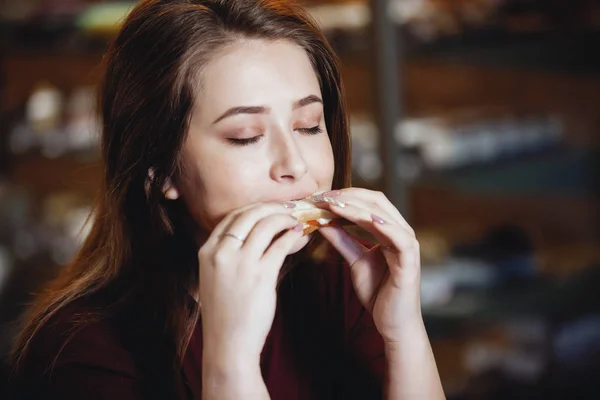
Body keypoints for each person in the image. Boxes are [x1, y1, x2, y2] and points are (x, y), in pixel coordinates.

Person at [8, 0, 445, 399]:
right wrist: (230, 363)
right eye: (246, 136)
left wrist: (403, 330)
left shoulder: (343, 283)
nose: (294, 164)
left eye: (309, 125)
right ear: (160, 171)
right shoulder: (80, 349)